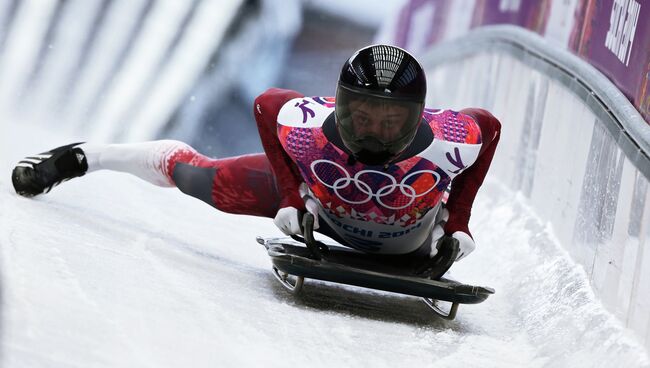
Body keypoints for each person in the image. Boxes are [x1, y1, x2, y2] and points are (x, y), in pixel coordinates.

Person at [12, 44, 500, 278]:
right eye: (362, 116)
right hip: (318, 199)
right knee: (201, 177)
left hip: (411, 225)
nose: (373, 131)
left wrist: (458, 221)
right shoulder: (307, 124)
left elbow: (490, 125)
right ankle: (86, 156)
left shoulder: (449, 138)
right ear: (341, 105)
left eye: (390, 122)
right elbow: (267, 103)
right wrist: (291, 196)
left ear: (416, 118)